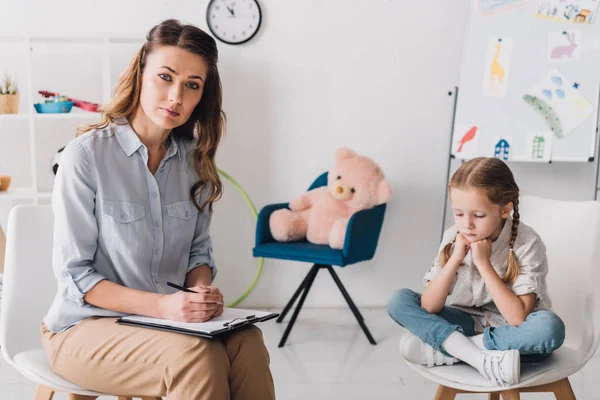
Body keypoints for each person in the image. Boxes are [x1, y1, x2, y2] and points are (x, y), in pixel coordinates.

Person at [41, 19, 275, 400]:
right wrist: (165, 306)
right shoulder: (85, 157)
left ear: (203, 96)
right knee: (196, 357)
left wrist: (199, 294)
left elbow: (198, 253)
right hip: (82, 328)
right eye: (165, 77)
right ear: (141, 73)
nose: (175, 97)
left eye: (192, 85)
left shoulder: (193, 164)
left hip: (163, 325)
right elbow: (76, 276)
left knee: (246, 342)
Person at [387, 157, 565, 386]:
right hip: (468, 320)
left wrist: (483, 263)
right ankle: (476, 356)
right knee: (399, 300)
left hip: (513, 330)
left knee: (549, 328)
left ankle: (452, 348)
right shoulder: (454, 236)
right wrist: (455, 260)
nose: (467, 225)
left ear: (505, 209)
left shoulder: (527, 242)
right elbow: (430, 307)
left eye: (478, 215)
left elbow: (518, 318)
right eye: (459, 214)